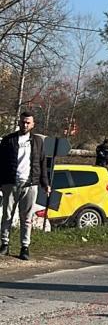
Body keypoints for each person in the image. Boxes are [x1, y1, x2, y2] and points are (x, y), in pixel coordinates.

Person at [0, 111, 50, 261]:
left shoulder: (38, 142)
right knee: (7, 215)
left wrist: (45, 184)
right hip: (10, 183)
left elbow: (42, 163)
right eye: (23, 122)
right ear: (19, 122)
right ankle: (4, 244)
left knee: (26, 217)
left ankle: (25, 247)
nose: (25, 125)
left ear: (33, 124)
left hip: (30, 184)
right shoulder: (8, 140)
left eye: (28, 122)